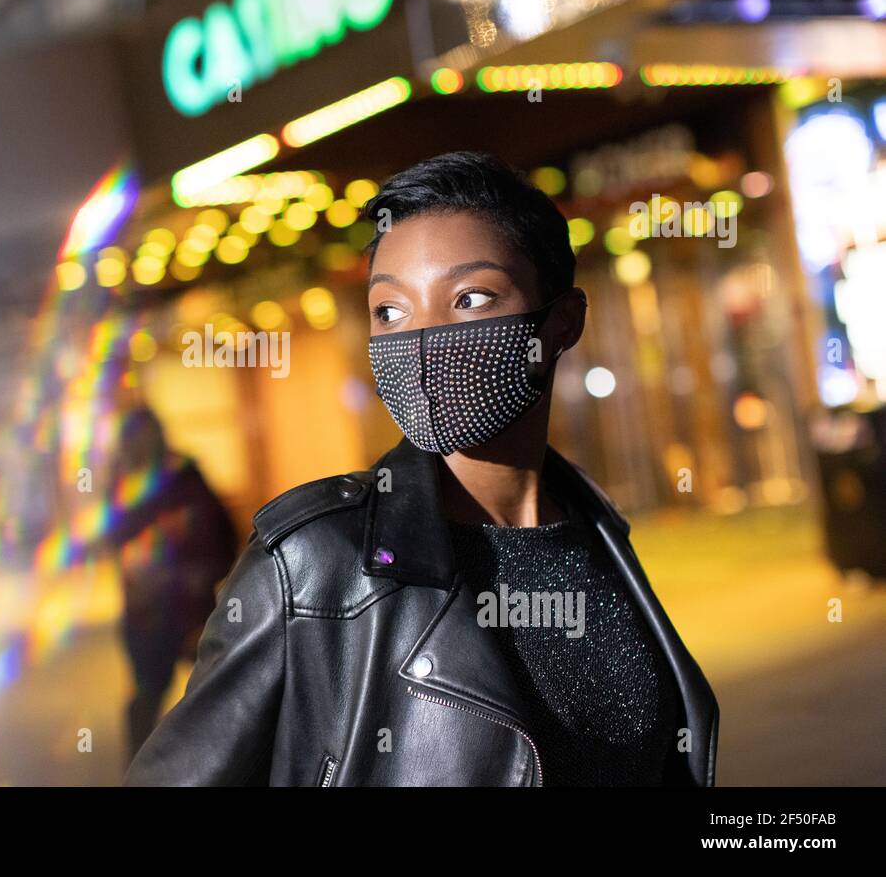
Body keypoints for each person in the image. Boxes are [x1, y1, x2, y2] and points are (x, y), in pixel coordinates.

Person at [125, 151, 718, 786]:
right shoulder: (313, 564)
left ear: (562, 323)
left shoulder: (599, 535)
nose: (424, 341)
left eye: (469, 298)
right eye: (391, 311)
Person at [103, 404, 238, 761]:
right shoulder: (125, 485)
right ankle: (146, 768)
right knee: (154, 695)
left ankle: (213, 766)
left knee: (215, 694)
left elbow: (222, 534)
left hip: (187, 608)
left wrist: (203, 573)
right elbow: (115, 542)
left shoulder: (183, 476)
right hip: (149, 611)